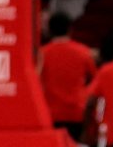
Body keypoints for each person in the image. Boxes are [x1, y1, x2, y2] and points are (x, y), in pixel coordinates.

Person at [38, 13, 97, 142]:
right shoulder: (84, 52)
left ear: (49, 29)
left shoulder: (42, 53)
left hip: (51, 113)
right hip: (76, 112)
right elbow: (95, 81)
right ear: (70, 29)